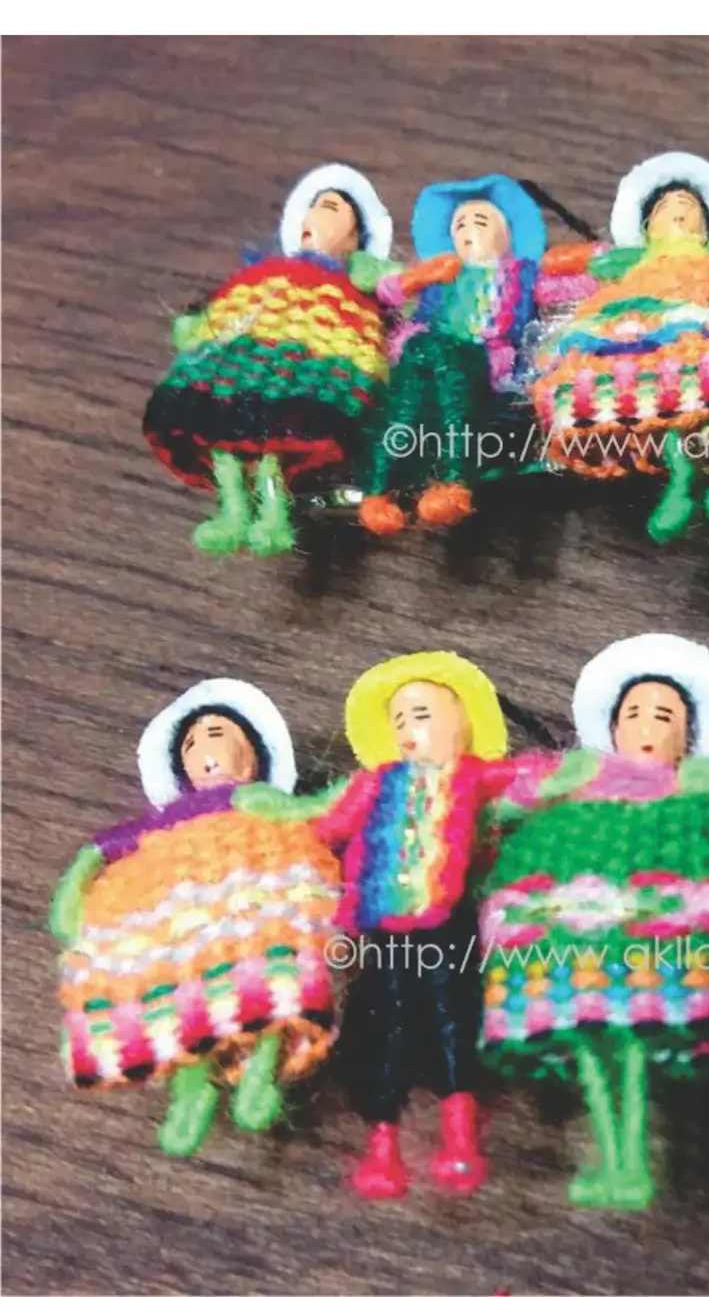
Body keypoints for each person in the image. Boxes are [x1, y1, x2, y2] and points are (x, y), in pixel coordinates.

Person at [479, 633, 709, 1210]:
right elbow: (506, 793)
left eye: (664, 717)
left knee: (641, 1032)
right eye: (634, 715)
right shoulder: (574, 777)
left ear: (687, 735)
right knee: (588, 1034)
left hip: (672, 937)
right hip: (570, 930)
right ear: (613, 726)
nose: (647, 727)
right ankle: (616, 1157)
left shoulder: (700, 786)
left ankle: (632, 1159)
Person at [51, 679, 340, 1157]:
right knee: (184, 1004)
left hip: (254, 906)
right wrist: (77, 886)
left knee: (267, 990)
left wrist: (357, 795)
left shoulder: (256, 801)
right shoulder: (163, 823)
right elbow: (102, 849)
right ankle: (191, 1093)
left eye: (219, 735)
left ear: (252, 756)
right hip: (181, 920)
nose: (205, 750)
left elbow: (311, 810)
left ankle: (260, 1075)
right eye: (190, 744)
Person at [310, 652, 515, 1199]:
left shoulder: (473, 775)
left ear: (461, 723)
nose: (407, 730)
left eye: (421, 715)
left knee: (456, 1014)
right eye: (398, 719)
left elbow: (527, 784)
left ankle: (461, 1136)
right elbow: (329, 825)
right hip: (383, 928)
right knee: (384, 1025)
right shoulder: (374, 784)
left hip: (449, 920)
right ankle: (382, 1146)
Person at [143, 164, 395, 556]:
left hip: (304, 367)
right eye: (312, 208)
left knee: (271, 449)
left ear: (355, 237)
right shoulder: (265, 272)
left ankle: (273, 516)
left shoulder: (351, 285)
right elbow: (228, 306)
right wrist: (199, 327)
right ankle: (232, 514)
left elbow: (389, 296)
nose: (312, 219)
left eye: (330, 209)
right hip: (235, 361)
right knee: (222, 437)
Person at [529, 153, 709, 542]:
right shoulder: (631, 260)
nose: (679, 214)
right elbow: (593, 266)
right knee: (666, 406)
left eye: (690, 207)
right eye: (664, 208)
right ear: (646, 225)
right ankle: (678, 486)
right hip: (647, 336)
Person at [359, 174, 546, 535]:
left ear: (507, 234)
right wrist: (419, 277)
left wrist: (586, 263)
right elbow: (387, 292)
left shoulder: (522, 275)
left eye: (481, 221)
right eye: (459, 225)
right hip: (428, 349)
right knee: (409, 389)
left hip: (489, 361)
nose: (469, 230)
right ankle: (378, 492)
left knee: (451, 375)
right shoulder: (440, 277)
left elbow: (565, 286)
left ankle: (452, 481)